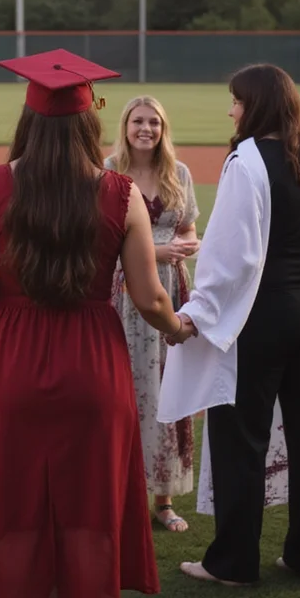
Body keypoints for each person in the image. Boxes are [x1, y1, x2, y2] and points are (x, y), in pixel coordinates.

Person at [0, 49, 184, 598]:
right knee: (90, 514)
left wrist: (12, 287)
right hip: (93, 366)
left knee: (15, 512)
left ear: (28, 119)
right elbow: (147, 297)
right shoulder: (120, 193)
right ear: (90, 125)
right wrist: (178, 329)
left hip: (14, 363)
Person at [158, 63, 300, 586]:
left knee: (240, 438)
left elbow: (233, 256)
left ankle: (231, 564)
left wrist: (196, 315)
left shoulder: (246, 161)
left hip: (265, 317)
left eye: (235, 100)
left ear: (255, 105)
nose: (230, 111)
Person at [105, 96, 200, 532]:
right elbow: (99, 242)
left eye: (154, 122)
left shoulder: (178, 174)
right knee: (124, 388)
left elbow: (188, 227)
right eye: (138, 121)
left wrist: (185, 245)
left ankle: (163, 500)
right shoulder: (108, 171)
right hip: (125, 290)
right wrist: (153, 251)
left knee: (167, 387)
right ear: (125, 126)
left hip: (172, 289)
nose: (146, 129)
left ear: (163, 128)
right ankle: (119, 497)